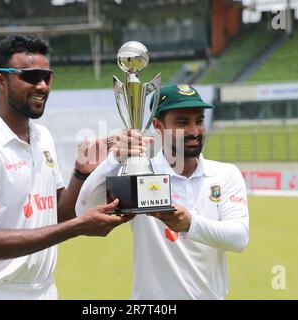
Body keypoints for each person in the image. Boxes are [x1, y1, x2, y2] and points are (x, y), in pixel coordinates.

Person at [0, 35, 132, 300]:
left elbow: (59, 215)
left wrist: (82, 172)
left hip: (45, 290)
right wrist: (79, 227)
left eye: (47, 76)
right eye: (31, 76)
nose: (42, 85)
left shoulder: (42, 136)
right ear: (0, 80)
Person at [76, 84, 249, 300]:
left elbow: (239, 238)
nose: (194, 131)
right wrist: (115, 159)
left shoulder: (225, 174)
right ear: (158, 126)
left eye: (199, 120)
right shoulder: (140, 172)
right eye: (182, 122)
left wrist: (189, 223)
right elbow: (83, 209)